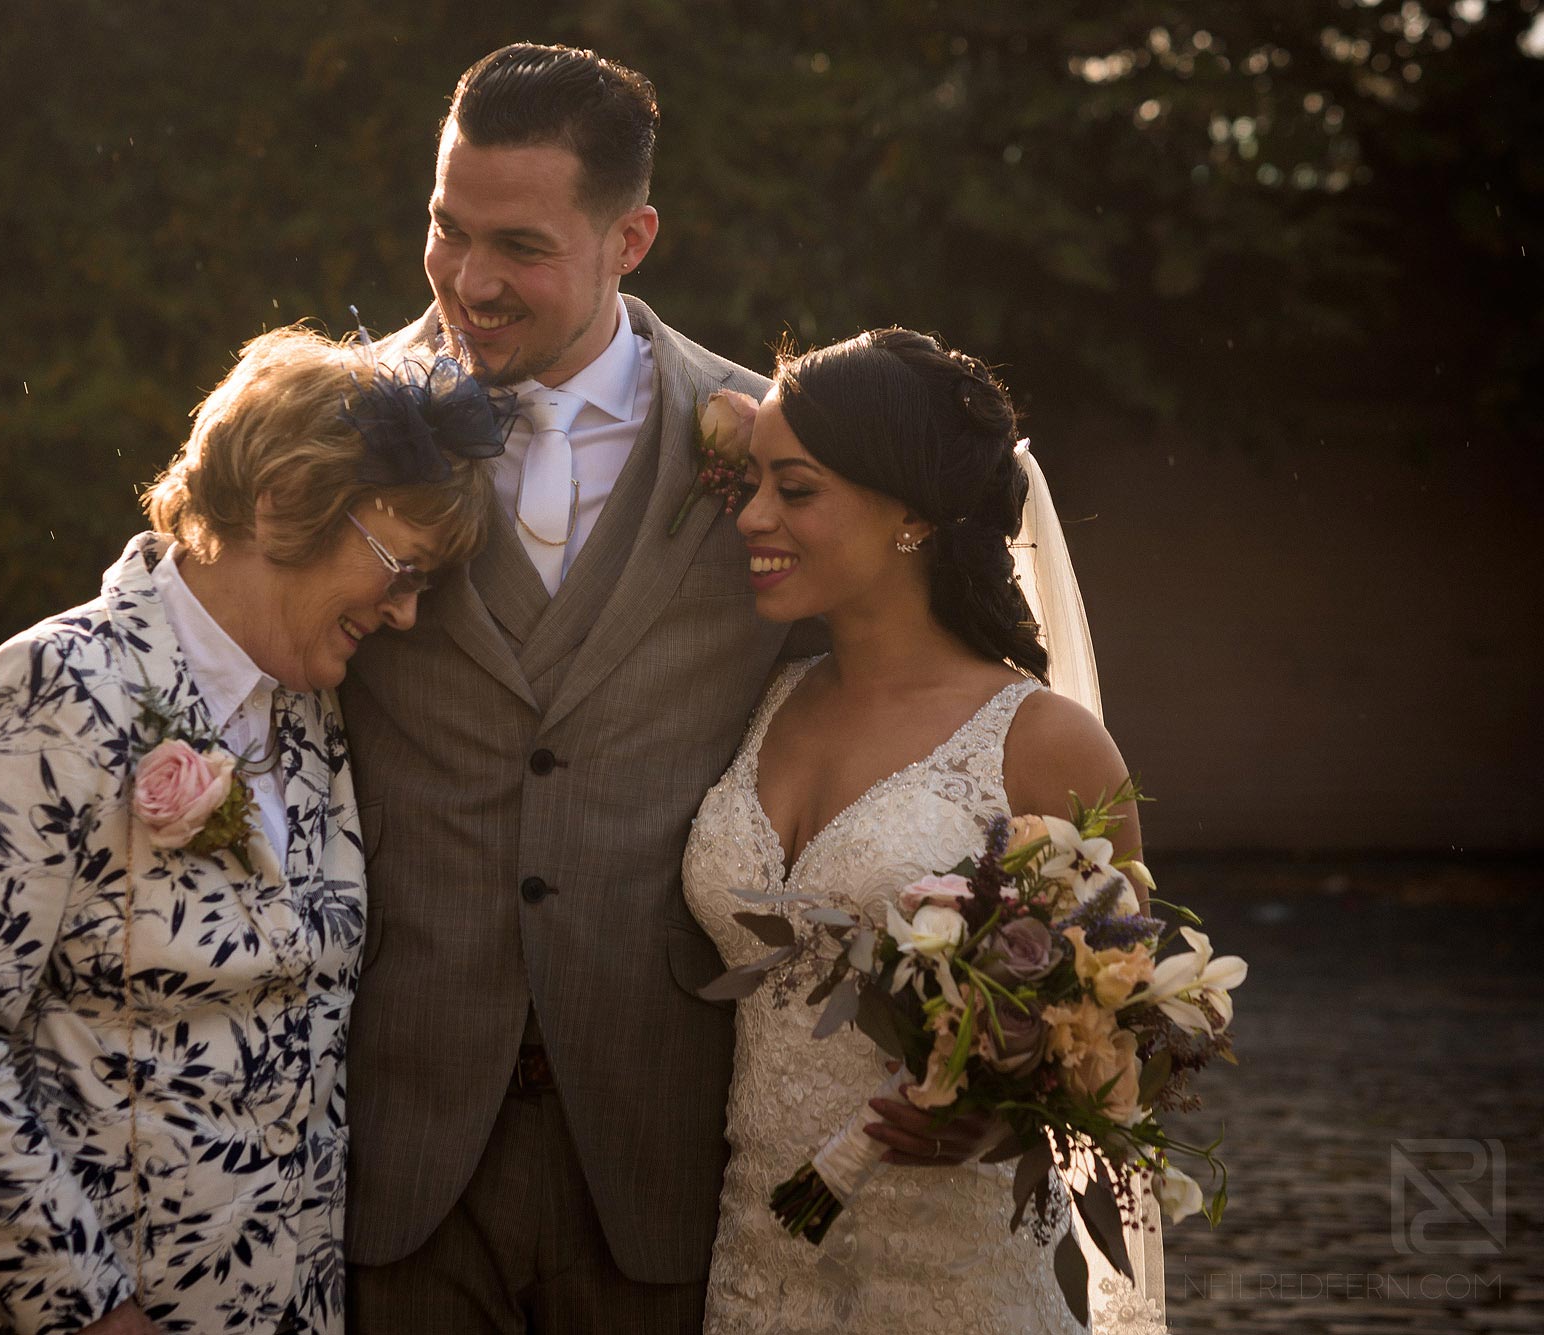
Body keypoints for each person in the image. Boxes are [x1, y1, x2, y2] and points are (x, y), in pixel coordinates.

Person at [0, 327, 502, 1335]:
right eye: (399, 568)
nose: (407, 614)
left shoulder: (314, 721)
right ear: (282, 504)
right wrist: (87, 1310)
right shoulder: (55, 688)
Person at [339, 43, 815, 1334]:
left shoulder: (771, 447)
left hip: (660, 1132)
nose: (468, 281)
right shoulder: (331, 424)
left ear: (633, 237)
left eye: (520, 246)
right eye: (445, 228)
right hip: (400, 1130)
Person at [682, 327, 1165, 1333]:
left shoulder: (1042, 743)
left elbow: (1137, 1042)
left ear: (908, 515)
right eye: (752, 483)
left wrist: (1000, 1119)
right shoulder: (761, 704)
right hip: (751, 1277)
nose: (752, 517)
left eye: (795, 489)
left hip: (951, 1285)